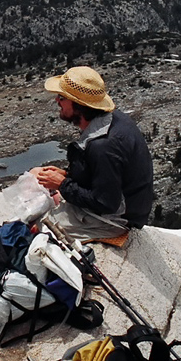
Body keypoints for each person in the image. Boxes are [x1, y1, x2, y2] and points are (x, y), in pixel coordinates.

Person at [31, 66, 153, 243]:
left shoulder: (102, 146)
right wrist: (67, 175)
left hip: (115, 219)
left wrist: (63, 184)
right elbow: (103, 175)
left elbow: (106, 203)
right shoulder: (112, 120)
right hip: (123, 203)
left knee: (37, 228)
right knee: (37, 174)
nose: (57, 100)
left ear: (79, 106)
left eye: (62, 97)